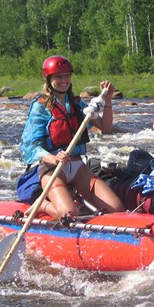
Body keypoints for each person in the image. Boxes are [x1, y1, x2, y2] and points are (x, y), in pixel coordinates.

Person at [18, 55, 124, 221]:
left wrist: (108, 99)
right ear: (48, 79)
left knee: (116, 208)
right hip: (52, 169)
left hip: (77, 166)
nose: (64, 80)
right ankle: (42, 204)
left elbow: (106, 126)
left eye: (67, 75)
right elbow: (29, 146)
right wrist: (53, 158)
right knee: (69, 214)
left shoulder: (77, 104)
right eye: (58, 76)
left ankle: (72, 200)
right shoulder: (41, 106)